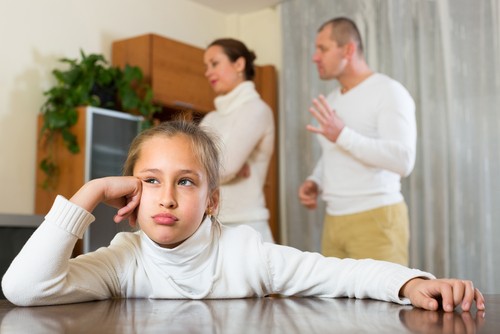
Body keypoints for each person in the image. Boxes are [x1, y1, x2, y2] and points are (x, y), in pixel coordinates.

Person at [1, 121, 485, 314]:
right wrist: (90, 193)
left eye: (185, 182)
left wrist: (411, 283)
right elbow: (22, 289)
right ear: (129, 192)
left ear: (212, 200)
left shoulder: (246, 253)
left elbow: (343, 272)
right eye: (151, 181)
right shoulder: (121, 260)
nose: (166, 198)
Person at [298, 17, 416, 265]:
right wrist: (315, 181)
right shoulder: (331, 99)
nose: (314, 57)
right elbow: (334, 153)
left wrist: (342, 134)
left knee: (385, 303)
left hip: (377, 219)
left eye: (323, 48)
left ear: (349, 49)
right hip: (333, 220)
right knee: (334, 303)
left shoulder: (389, 91)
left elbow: (403, 160)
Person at [200, 38, 275, 243]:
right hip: (210, 223)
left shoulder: (256, 110)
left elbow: (225, 167)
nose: (208, 72)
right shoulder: (210, 118)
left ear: (239, 64)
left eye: (214, 63)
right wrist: (221, 165)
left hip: (247, 226)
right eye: (206, 66)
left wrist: (220, 166)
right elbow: (189, 162)